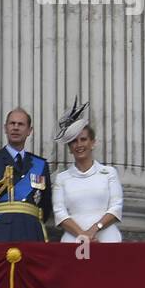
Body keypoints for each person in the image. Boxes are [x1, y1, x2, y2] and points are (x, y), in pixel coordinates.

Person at [0, 107, 52, 242]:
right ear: (5, 128)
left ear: (29, 131)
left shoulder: (40, 164)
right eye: (12, 123)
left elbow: (46, 205)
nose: (16, 127)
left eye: (21, 124)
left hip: (32, 232)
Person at [52, 101, 123, 243]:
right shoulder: (62, 178)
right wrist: (82, 235)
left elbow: (116, 207)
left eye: (83, 139)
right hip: (73, 240)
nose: (79, 145)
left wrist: (94, 230)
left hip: (107, 239)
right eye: (74, 141)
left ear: (92, 143)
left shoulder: (109, 173)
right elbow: (59, 212)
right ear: (69, 148)